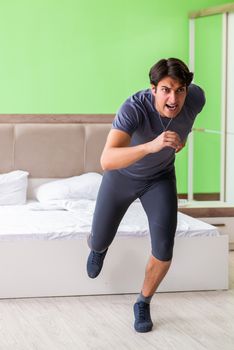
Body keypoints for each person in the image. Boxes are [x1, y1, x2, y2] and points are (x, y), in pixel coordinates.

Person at [86, 58, 205, 333]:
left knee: (164, 249)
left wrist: (180, 142)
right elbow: (107, 159)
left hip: (160, 179)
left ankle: (143, 301)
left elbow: (184, 128)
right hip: (121, 177)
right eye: (166, 89)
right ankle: (98, 247)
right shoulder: (133, 108)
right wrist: (151, 146)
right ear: (153, 89)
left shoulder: (196, 98)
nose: (174, 98)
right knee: (100, 236)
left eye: (180, 90)